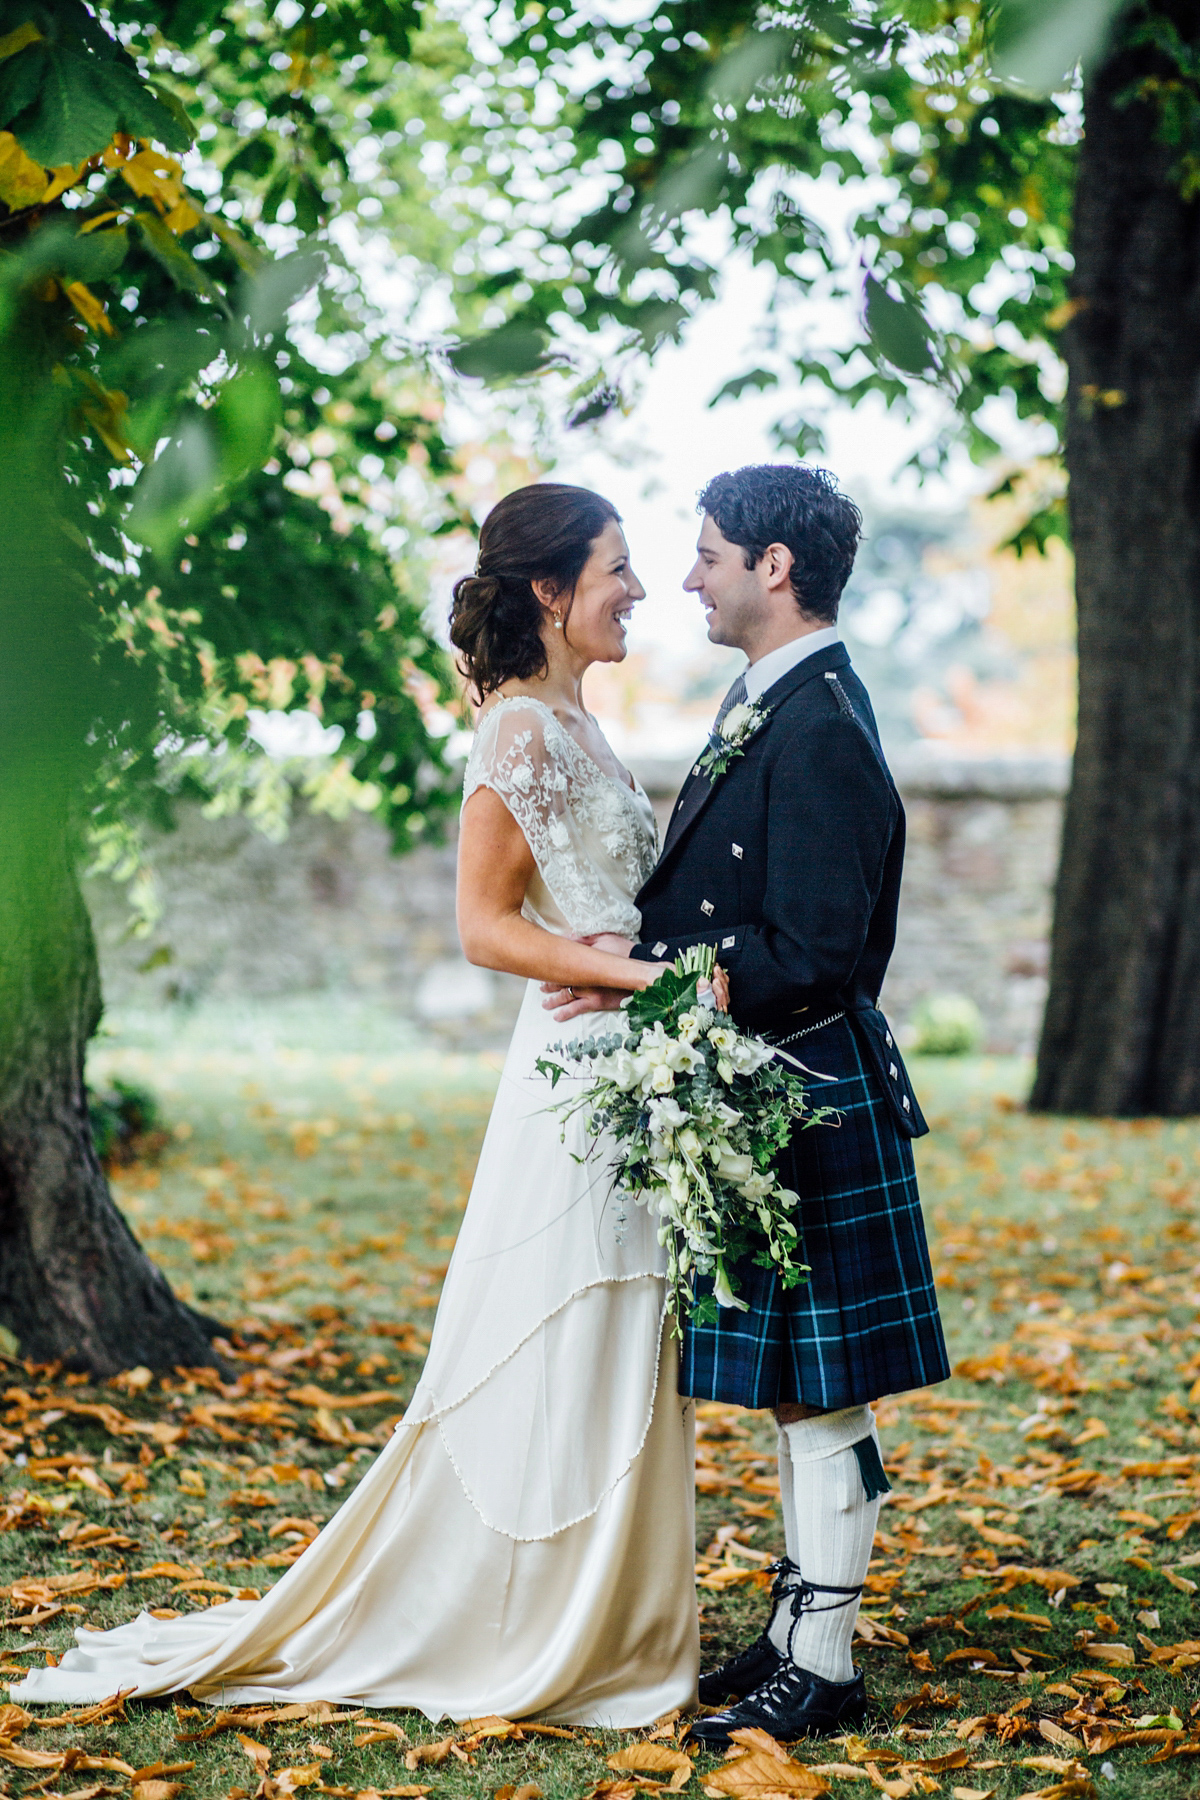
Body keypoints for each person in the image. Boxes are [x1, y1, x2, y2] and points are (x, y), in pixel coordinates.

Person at [11, 483, 700, 1724]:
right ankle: (525, 1608)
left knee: (624, 1332)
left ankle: (613, 1605)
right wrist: (633, 976)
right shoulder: (517, 735)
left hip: (626, 1068)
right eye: (616, 567)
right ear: (549, 591)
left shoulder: (583, 725)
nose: (638, 589)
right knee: (556, 1330)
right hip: (577, 1073)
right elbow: (486, 931)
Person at [543, 463, 950, 1744]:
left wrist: (648, 983)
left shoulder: (823, 723)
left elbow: (816, 949)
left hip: (807, 1086)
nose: (689, 575)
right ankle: (794, 1628)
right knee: (794, 1389)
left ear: (775, 568)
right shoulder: (777, 699)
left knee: (824, 1393)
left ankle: (823, 1664)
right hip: (775, 1088)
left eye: (711, 552)